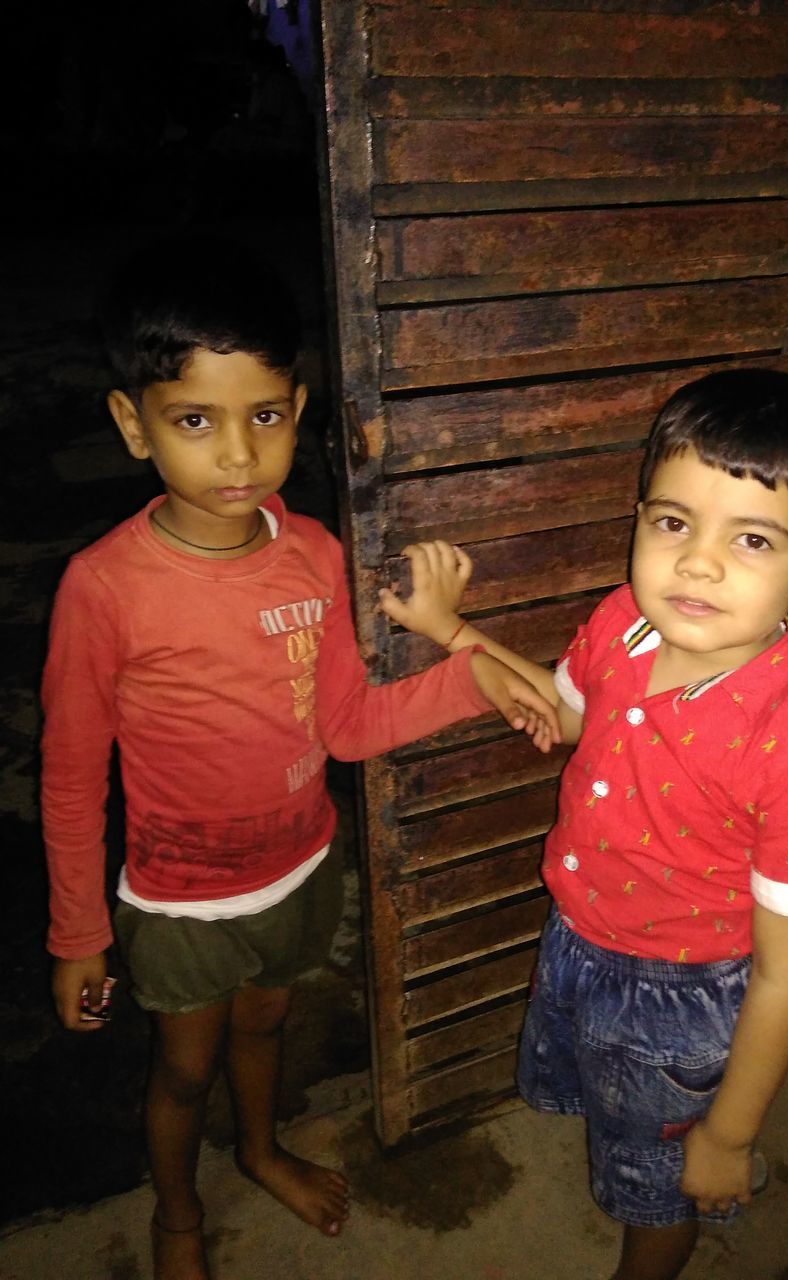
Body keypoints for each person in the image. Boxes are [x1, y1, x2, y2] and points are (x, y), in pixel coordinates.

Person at [40, 236, 558, 1280]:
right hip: (180, 898)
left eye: (265, 415)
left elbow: (346, 726)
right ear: (133, 424)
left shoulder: (315, 554)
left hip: (299, 868)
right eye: (196, 419)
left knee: (266, 1032)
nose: (238, 455)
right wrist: (78, 932)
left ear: (300, 405)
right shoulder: (104, 588)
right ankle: (179, 1212)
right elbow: (68, 770)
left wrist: (469, 680)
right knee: (182, 1070)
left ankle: (263, 1143)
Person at [380, 368, 788, 1280]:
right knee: (615, 1125)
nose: (697, 562)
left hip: (681, 1000)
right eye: (672, 522)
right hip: (576, 938)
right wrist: (453, 632)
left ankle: (690, 1195)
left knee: (663, 1182)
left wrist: (730, 1133)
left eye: (753, 538)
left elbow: (778, 977)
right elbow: (563, 716)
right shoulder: (621, 623)